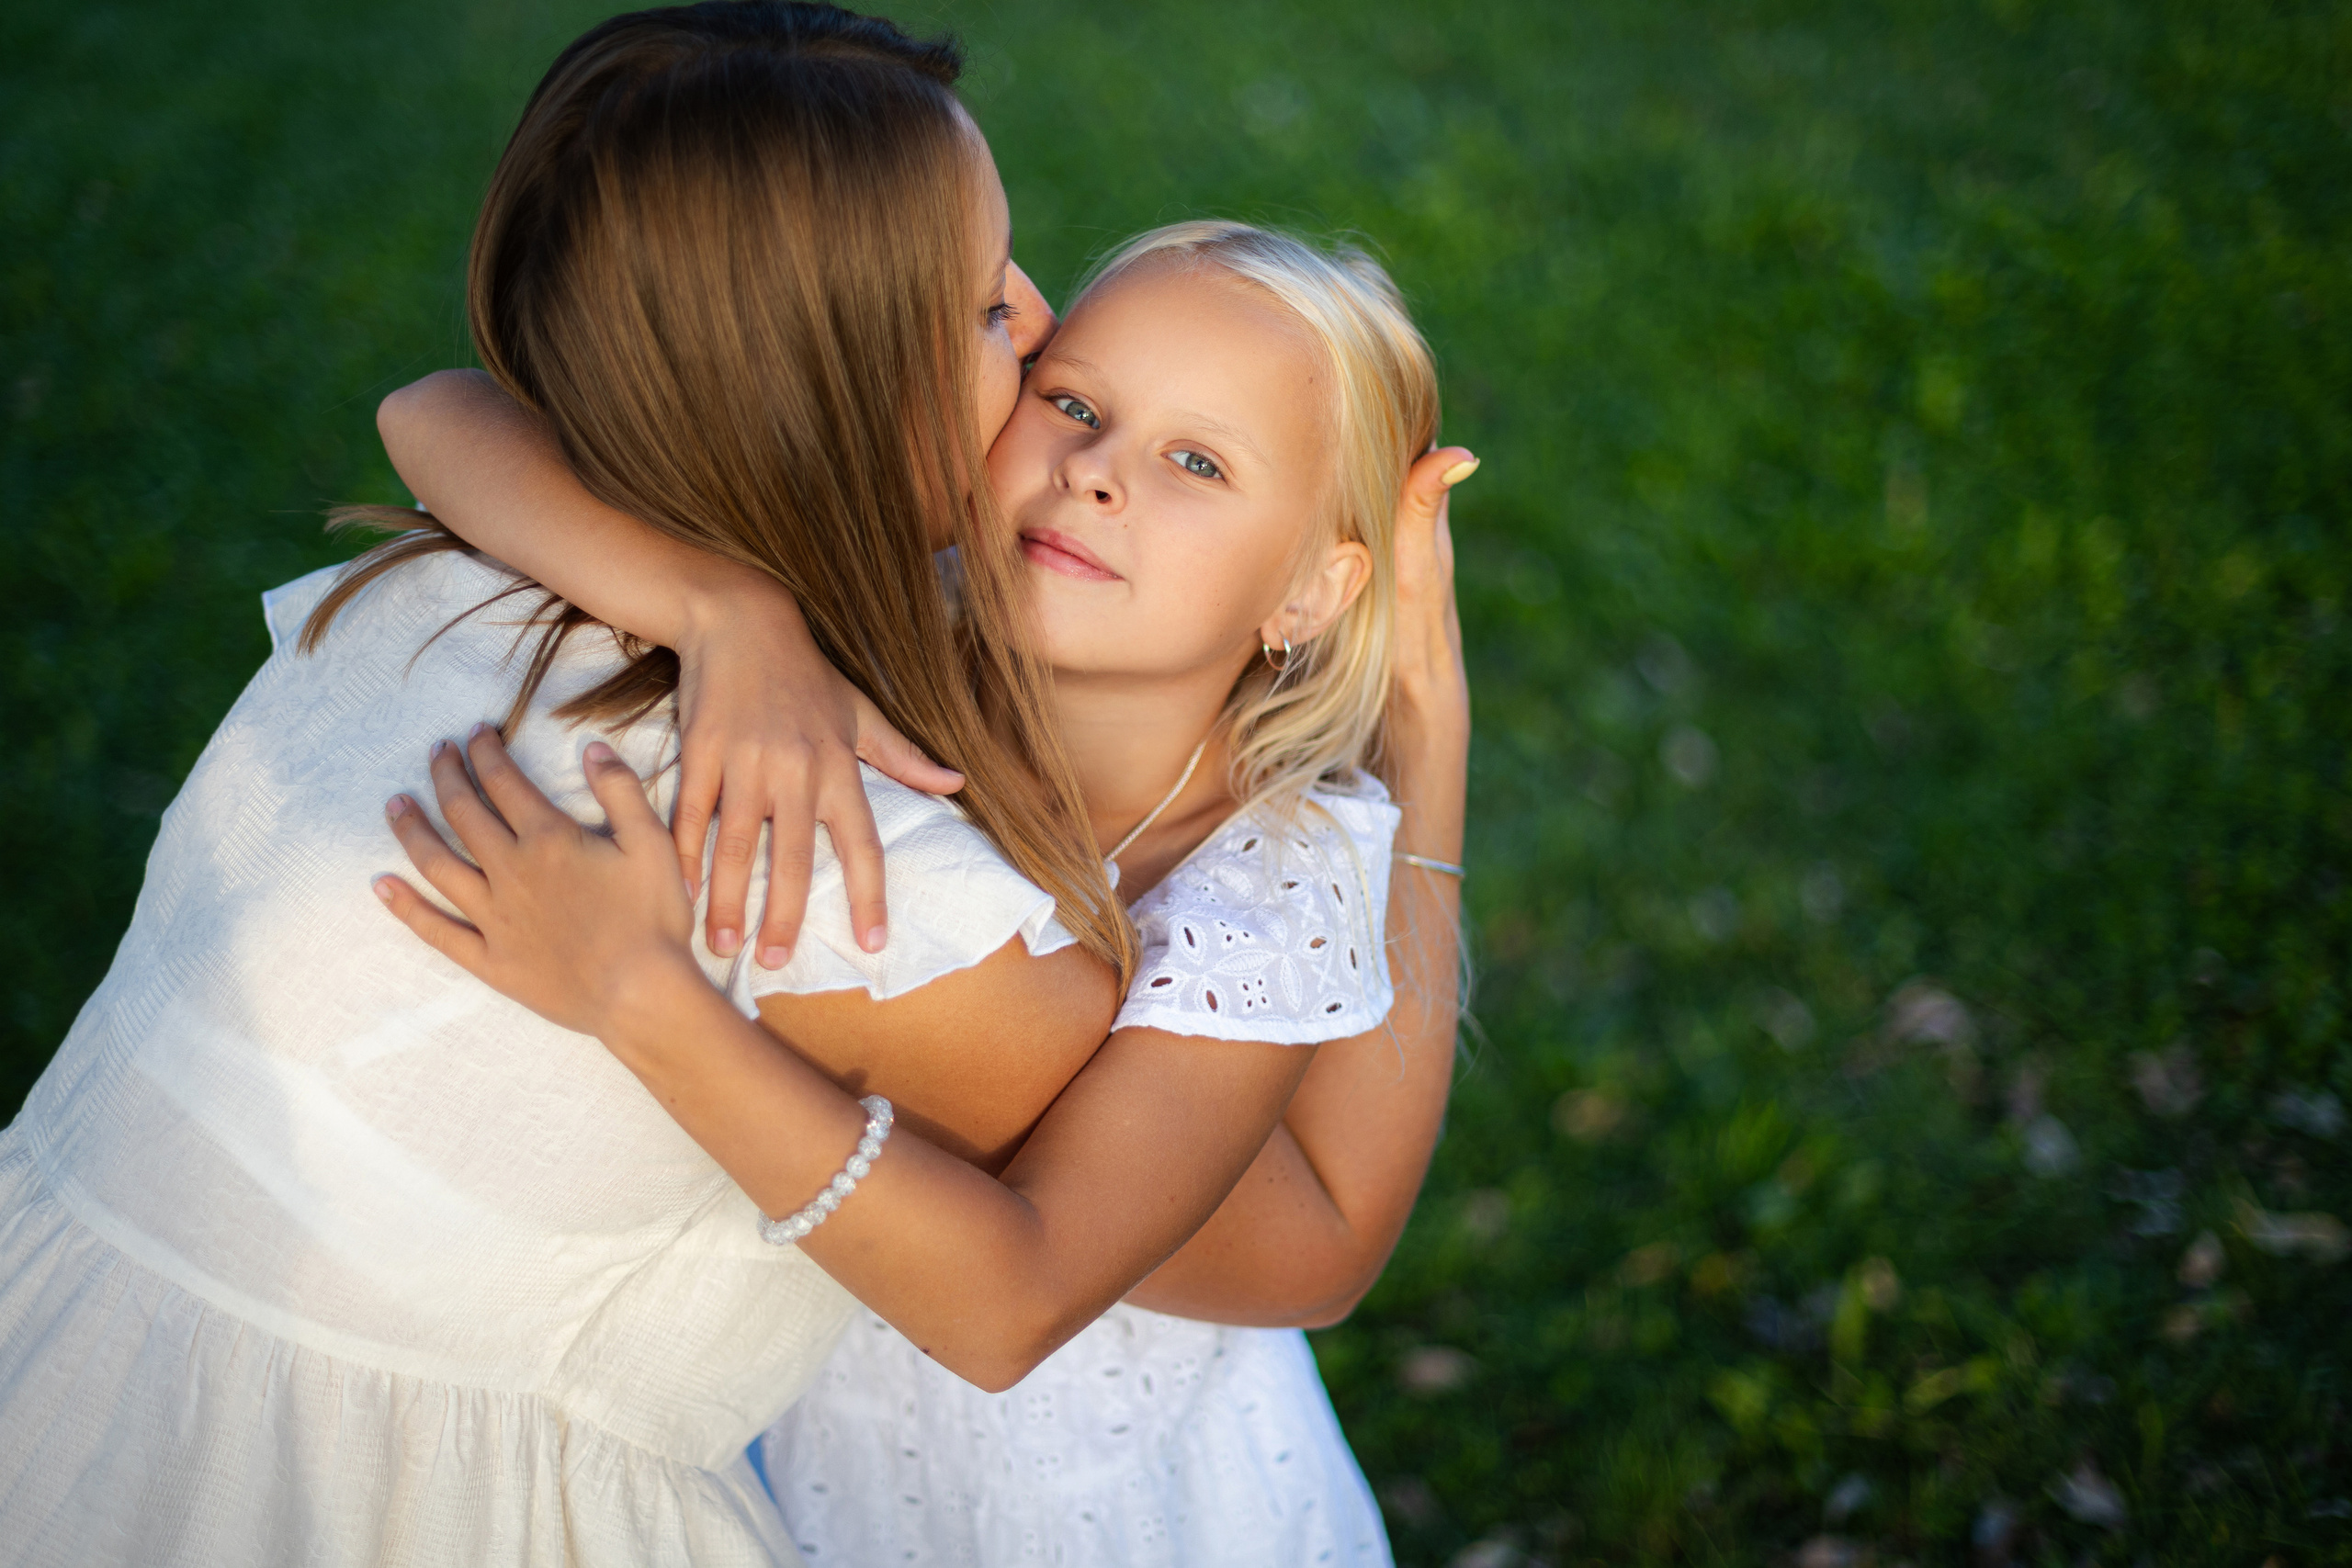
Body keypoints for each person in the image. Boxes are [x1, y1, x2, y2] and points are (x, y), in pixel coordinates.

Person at [0, 7, 1126, 1563]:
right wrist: (1378, 761)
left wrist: (733, 608)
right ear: (849, 399)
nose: (1045, 312)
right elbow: (1250, 1221)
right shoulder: (831, 870)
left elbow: (432, 409)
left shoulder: (425, 601)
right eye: (991, 310)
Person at [379, 218, 1475, 1564]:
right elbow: (435, 412)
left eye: (1197, 461)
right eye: (1074, 403)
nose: (1094, 475)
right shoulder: (878, 621)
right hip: (789, 1453)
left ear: (1309, 587)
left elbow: (1039, 1291)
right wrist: (733, 613)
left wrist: (640, 992)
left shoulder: (1275, 873)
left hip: (1113, 1520)